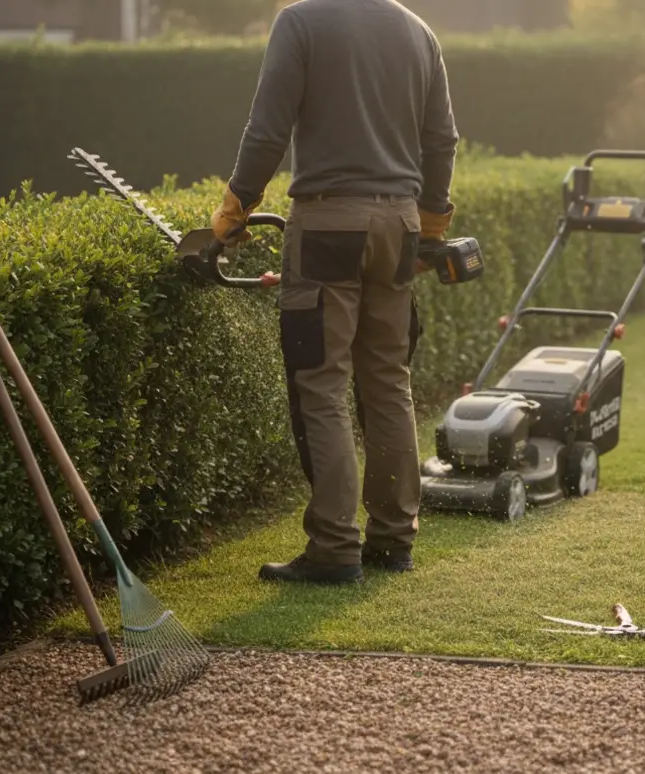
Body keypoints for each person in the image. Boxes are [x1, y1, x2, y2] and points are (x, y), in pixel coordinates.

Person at [210, 0, 459, 585]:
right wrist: (432, 225)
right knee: (387, 377)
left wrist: (236, 209)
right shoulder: (417, 30)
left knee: (322, 383)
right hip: (399, 222)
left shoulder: (300, 21)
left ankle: (334, 546)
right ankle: (394, 540)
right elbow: (441, 140)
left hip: (327, 221)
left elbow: (268, 127)